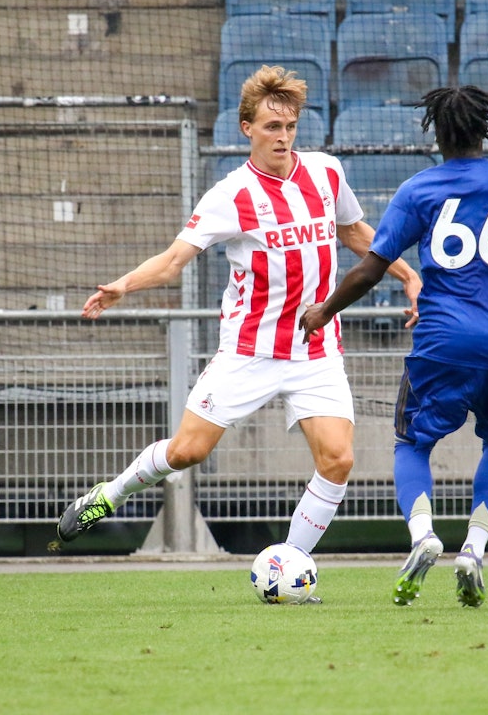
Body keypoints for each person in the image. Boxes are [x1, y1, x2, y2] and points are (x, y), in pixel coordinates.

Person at [52, 65, 422, 587]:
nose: (283, 137)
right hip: (249, 350)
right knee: (187, 452)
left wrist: (407, 274)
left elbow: (355, 231)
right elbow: (175, 260)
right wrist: (122, 287)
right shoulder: (231, 194)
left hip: (315, 349)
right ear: (247, 127)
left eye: (290, 126)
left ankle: (287, 567)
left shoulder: (325, 173)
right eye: (272, 127)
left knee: (338, 460)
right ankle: (108, 495)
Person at [299, 85, 488, 608]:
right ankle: (474, 550)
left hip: (443, 343)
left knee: (413, 445)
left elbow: (371, 267)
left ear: (436, 134)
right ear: (487, 130)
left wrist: (324, 310)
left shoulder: (419, 190)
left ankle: (423, 537)